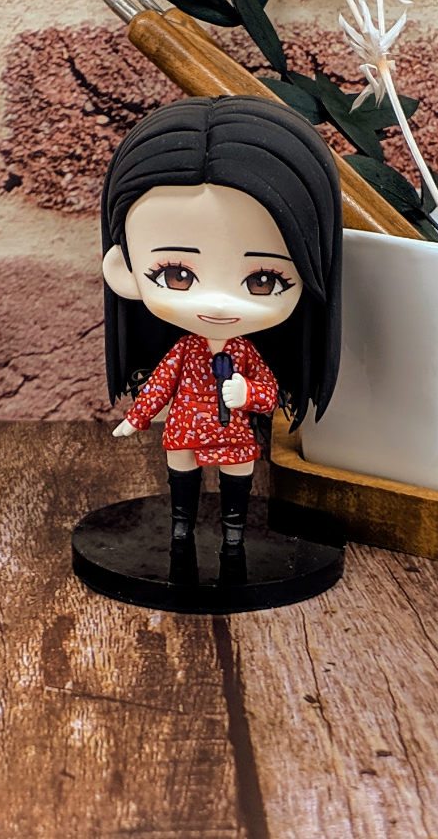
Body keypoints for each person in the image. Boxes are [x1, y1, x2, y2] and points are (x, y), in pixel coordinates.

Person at [101, 95, 343, 549]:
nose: (215, 303)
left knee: (238, 471)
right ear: (124, 272)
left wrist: (247, 394)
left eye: (263, 281)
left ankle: (234, 528)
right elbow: (160, 384)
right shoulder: (185, 351)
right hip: (185, 427)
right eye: (176, 275)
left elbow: (267, 391)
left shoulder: (245, 354)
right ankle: (181, 523)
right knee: (181, 466)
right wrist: (137, 418)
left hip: (233, 430)